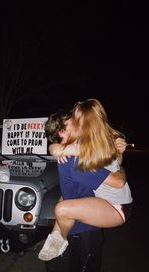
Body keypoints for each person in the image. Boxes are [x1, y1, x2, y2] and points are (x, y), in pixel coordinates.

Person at [41, 107, 128, 272]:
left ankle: (58, 236)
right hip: (85, 230)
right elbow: (118, 180)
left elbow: (106, 161)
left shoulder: (74, 152)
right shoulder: (75, 160)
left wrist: (118, 153)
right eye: (72, 121)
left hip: (83, 223)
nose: (78, 122)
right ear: (62, 132)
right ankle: (58, 238)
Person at [38, 99, 133, 263]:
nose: (75, 124)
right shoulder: (93, 141)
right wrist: (56, 148)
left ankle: (60, 238)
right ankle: (55, 235)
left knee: (62, 209)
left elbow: (118, 180)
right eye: (72, 122)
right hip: (104, 198)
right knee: (65, 198)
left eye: (77, 120)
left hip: (118, 206)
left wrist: (58, 148)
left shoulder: (93, 144)